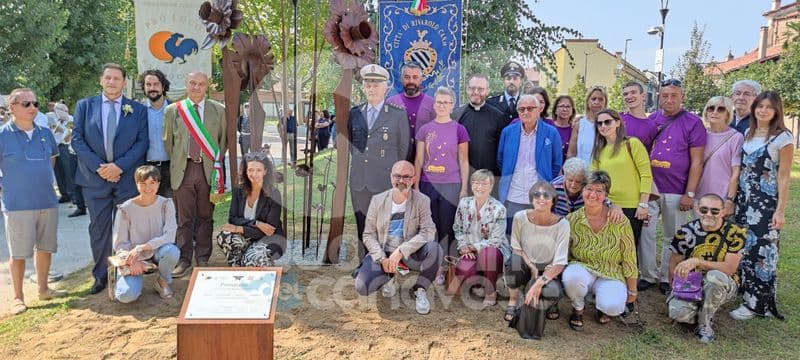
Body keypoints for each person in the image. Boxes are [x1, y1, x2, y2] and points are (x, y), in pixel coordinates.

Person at [72, 63, 149, 295]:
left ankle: (127, 272)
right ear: (101, 80)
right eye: (108, 78)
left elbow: (142, 142)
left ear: (124, 82)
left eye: (117, 78)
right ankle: (101, 275)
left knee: (128, 229)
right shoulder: (85, 107)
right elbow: (77, 140)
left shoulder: (137, 109)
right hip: (94, 180)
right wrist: (100, 168)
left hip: (126, 179)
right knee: (99, 229)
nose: (112, 82)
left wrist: (119, 166)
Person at [1, 88, 68, 315]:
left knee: (45, 248)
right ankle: (18, 297)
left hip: (46, 201)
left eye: (35, 103)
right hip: (17, 204)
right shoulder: (2, 135)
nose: (33, 108)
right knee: (18, 253)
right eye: (26, 104)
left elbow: (50, 161)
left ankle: (43, 289)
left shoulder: (45, 133)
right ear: (12, 107)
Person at [730, 91, 794, 321]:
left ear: (777, 111)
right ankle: (746, 292)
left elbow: (784, 178)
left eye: (769, 107)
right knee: (744, 248)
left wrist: (780, 210)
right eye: (760, 106)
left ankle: (758, 304)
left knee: (762, 254)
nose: (763, 110)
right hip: (744, 202)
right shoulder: (749, 133)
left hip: (765, 205)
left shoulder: (782, 139)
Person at [639, 79, 707, 294]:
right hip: (651, 188)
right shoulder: (652, 120)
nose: (669, 100)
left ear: (682, 97)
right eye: (665, 95)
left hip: (677, 190)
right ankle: (647, 275)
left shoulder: (693, 122)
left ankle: (667, 276)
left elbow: (697, 160)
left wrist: (690, 192)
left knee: (673, 235)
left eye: (673, 95)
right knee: (646, 232)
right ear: (659, 96)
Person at [163, 71, 227, 277]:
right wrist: (183, 160)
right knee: (184, 218)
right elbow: (169, 144)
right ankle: (184, 259)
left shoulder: (219, 110)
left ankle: (202, 258)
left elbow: (222, 141)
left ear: (207, 86)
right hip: (184, 170)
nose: (196, 87)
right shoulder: (173, 110)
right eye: (192, 83)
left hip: (208, 171)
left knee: (206, 217)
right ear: (186, 84)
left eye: (201, 84)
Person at [354, 161, 440, 315]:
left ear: (413, 179)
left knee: (435, 250)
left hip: (410, 252)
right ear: (391, 177)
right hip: (384, 251)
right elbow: (368, 234)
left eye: (406, 177)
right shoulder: (377, 200)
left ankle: (420, 289)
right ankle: (389, 277)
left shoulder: (422, 200)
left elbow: (428, 231)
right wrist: (381, 259)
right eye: (397, 176)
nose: (401, 180)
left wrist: (401, 250)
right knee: (363, 287)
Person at [563, 170, 638, 331]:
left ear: (606, 195)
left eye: (599, 191)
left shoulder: (620, 220)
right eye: (589, 189)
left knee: (613, 306)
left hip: (611, 271)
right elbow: (565, 254)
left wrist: (632, 290)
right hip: (583, 267)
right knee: (571, 277)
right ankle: (578, 308)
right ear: (582, 191)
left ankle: (600, 305)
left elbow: (629, 256)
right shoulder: (572, 220)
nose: (593, 195)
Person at [349, 64, 410, 262]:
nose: (372, 88)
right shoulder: (355, 113)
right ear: (363, 87)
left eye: (376, 84)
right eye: (368, 84)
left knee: (384, 226)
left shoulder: (397, 114)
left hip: (384, 181)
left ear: (386, 88)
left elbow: (403, 151)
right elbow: (352, 146)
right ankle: (365, 263)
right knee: (362, 224)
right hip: (359, 180)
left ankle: (385, 265)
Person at [667, 194, 745, 343]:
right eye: (704, 210)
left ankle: (705, 324)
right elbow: (674, 264)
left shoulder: (735, 232)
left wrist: (697, 262)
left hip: (724, 282)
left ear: (723, 211)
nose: (708, 214)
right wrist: (674, 290)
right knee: (678, 313)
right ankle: (697, 307)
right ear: (697, 209)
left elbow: (729, 268)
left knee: (714, 277)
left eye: (715, 211)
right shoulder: (685, 232)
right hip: (692, 283)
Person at [414, 86, 470, 283]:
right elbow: (419, 160)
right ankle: (431, 264)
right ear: (434, 104)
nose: (442, 106)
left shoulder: (459, 129)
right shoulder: (425, 129)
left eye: (446, 102)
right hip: (428, 184)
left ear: (452, 105)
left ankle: (445, 267)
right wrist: (416, 186)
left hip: (451, 185)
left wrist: (464, 188)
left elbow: (464, 161)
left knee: (447, 227)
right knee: (430, 227)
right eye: (439, 102)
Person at [504, 181, 568, 326]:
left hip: (549, 269)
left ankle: (551, 302)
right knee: (514, 261)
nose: (541, 198)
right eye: (537, 195)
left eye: (546, 195)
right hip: (526, 264)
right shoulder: (520, 217)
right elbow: (516, 247)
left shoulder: (563, 224)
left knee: (552, 291)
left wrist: (540, 282)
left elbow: (560, 261)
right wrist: (532, 266)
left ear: (553, 200)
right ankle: (513, 300)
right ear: (531, 199)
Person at [112, 165, 180, 302]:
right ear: (136, 184)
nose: (148, 188)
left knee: (172, 251)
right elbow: (120, 244)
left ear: (158, 184)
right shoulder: (125, 209)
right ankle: (128, 282)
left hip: (157, 252)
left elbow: (170, 236)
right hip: (133, 257)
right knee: (125, 296)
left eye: (152, 183)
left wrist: (142, 247)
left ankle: (162, 281)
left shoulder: (166, 204)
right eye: (143, 183)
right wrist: (132, 262)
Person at [497, 94, 563, 234]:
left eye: (530, 108)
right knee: (512, 236)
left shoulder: (551, 133)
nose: (525, 112)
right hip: (513, 195)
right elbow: (501, 160)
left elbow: (557, 163)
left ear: (539, 109)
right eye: (521, 109)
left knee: (536, 237)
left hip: (539, 197)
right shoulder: (508, 132)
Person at [591, 109, 653, 247]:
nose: (603, 126)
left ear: (617, 122)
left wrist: (643, 204)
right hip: (608, 206)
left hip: (632, 207)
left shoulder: (632, 144)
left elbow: (646, 175)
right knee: (609, 248)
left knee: (629, 249)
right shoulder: (598, 149)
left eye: (607, 121)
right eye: (599, 123)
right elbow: (595, 181)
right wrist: (608, 204)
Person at [218, 152, 285, 266]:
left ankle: (263, 265)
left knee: (251, 258)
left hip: (269, 239)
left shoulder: (274, 194)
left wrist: (239, 228)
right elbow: (233, 218)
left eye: (258, 170)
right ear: (245, 171)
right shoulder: (238, 191)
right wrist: (256, 223)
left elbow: (269, 230)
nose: (254, 174)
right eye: (250, 170)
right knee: (225, 236)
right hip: (247, 236)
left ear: (265, 171)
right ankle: (236, 270)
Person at [452, 170, 507, 307]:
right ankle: (479, 284)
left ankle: (491, 291)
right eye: (476, 183)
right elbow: (457, 228)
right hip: (469, 250)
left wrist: (473, 247)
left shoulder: (498, 209)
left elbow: (495, 241)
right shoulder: (464, 203)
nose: (480, 187)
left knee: (488, 254)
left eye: (484, 183)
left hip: (493, 251)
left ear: (491, 186)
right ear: (471, 185)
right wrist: (463, 246)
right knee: (464, 269)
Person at [452, 74, 506, 183]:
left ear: (487, 91)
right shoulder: (456, 115)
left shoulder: (498, 116)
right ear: (467, 89)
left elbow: (502, 150)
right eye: (472, 88)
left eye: (480, 89)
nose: (476, 92)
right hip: (463, 178)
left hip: (490, 178)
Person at [695, 96, 743, 217]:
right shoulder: (699, 134)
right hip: (699, 195)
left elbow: (735, 173)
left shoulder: (736, 137)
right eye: (711, 108)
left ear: (728, 114)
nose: (715, 112)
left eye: (721, 109)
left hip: (721, 197)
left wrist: (730, 199)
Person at [386, 61, 436, 162]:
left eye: (415, 77)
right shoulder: (390, 102)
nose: (411, 81)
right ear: (401, 79)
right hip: (397, 159)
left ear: (421, 79)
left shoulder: (432, 104)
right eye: (407, 77)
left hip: (424, 159)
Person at [140, 69, 173, 197]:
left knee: (171, 209)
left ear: (163, 86)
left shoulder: (176, 110)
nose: (152, 88)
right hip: (146, 168)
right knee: (149, 209)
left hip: (170, 168)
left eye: (156, 84)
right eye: (148, 84)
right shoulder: (138, 111)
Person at [567, 85, 608, 163]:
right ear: (587, 101)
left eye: (600, 99)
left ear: (605, 102)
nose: (596, 102)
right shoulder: (579, 125)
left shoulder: (610, 124)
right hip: (582, 172)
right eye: (593, 99)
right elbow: (571, 153)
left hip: (604, 173)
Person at [620, 81, 658, 152]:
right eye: (625, 94)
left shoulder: (651, 126)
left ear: (643, 96)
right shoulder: (617, 118)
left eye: (633, 92)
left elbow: (649, 154)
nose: (629, 96)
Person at [486, 60, 524, 124]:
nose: (511, 82)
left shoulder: (526, 103)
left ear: (521, 81)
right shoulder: (491, 103)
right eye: (508, 78)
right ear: (503, 81)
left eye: (515, 78)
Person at [51, 104, 74, 204]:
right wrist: (55, 128)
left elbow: (70, 135)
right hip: (54, 146)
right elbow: (49, 131)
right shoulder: (53, 119)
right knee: (58, 171)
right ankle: (64, 194)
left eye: (60, 110)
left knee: (67, 170)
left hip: (65, 146)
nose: (58, 112)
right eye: (56, 110)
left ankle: (72, 194)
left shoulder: (70, 119)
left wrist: (63, 130)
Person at [545, 95, 575, 161]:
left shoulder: (574, 129)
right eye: (561, 106)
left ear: (572, 111)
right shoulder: (547, 124)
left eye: (568, 106)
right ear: (555, 110)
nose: (565, 109)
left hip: (566, 168)